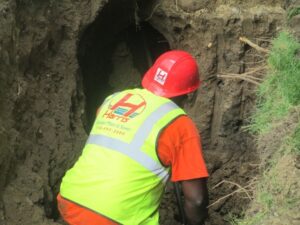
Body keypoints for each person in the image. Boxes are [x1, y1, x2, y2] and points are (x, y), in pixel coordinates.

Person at [57, 50, 209, 225]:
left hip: (70, 201)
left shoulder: (113, 100)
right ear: (188, 93)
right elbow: (196, 200)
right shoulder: (179, 124)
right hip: (116, 218)